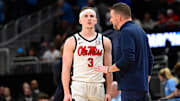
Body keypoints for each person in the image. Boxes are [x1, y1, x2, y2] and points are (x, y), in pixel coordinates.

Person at [94, 2, 153, 101]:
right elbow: (150, 59)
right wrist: (146, 81)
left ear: (119, 17)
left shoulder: (126, 32)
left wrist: (108, 69)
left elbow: (127, 58)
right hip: (142, 88)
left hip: (130, 89)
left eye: (112, 17)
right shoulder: (141, 31)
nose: (111, 20)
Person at [62, 7, 112, 101]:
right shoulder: (71, 41)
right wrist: (66, 93)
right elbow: (66, 69)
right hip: (79, 84)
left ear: (96, 20)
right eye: (85, 16)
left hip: (97, 85)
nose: (89, 18)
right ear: (80, 20)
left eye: (92, 16)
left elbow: (108, 69)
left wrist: (108, 92)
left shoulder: (105, 41)